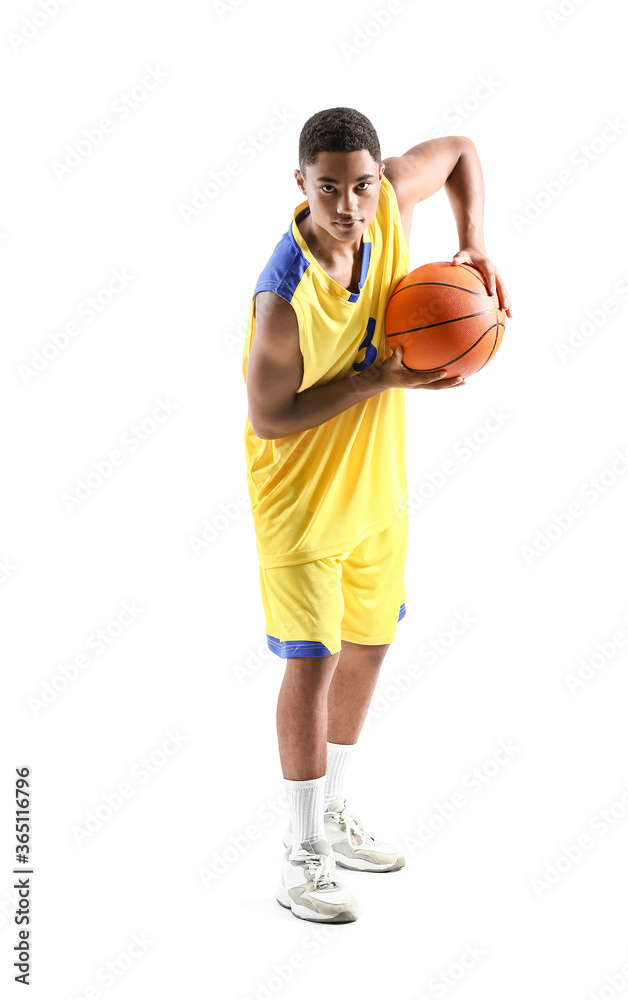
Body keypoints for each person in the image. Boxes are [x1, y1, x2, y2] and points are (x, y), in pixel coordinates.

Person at [241, 107, 511, 923]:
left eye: (361, 185)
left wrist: (474, 243)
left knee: (368, 645)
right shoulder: (284, 298)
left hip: (375, 489)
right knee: (313, 662)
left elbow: (459, 150)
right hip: (300, 506)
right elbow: (269, 417)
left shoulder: (388, 198)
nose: (349, 205)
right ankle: (300, 854)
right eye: (328, 188)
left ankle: (332, 812)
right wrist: (376, 380)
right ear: (301, 184)